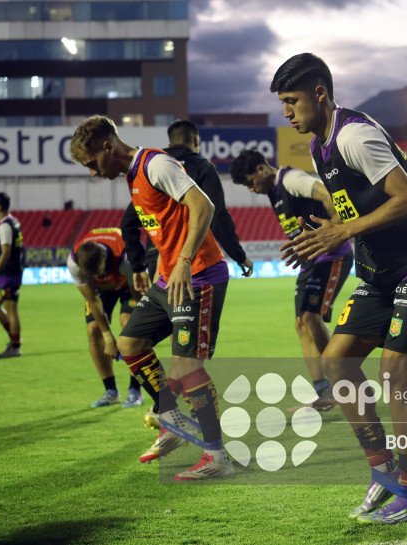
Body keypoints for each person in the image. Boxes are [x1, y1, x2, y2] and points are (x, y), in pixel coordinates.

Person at [271, 53, 407, 524]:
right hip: (381, 272)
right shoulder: (319, 146)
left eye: (292, 101)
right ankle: (385, 472)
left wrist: (343, 231)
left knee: (395, 374)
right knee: (337, 363)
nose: (287, 113)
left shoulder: (354, 135)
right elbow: (351, 207)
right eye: (282, 104)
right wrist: (328, 228)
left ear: (320, 93)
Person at [70, 115, 233, 481]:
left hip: (198, 277)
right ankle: (171, 418)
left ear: (108, 146)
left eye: (93, 163)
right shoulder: (132, 176)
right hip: (167, 280)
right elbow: (164, 225)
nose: (94, 173)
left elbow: (203, 207)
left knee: (189, 368)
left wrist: (185, 262)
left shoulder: (155, 164)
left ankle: (216, 455)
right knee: (130, 342)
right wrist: (154, 266)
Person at [121, 120, 254, 430]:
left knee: (181, 352)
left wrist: (138, 265)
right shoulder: (197, 165)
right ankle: (188, 423)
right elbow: (214, 212)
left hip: (159, 265)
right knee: (189, 355)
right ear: (196, 140)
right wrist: (238, 254)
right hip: (188, 262)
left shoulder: (149, 168)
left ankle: (166, 413)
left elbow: (130, 221)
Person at [230, 149, 354, 410]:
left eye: (250, 182)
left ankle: (344, 381)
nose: (251, 190)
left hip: (332, 255)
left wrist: (334, 227)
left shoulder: (290, 179)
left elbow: (325, 193)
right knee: (301, 323)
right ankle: (324, 392)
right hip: (310, 260)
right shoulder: (274, 192)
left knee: (311, 317)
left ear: (262, 170)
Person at [67, 227, 144, 409]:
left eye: (99, 272)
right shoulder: (74, 262)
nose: (98, 277)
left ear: (104, 257)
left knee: (130, 327)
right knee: (93, 330)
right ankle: (111, 392)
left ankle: (135, 390)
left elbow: (138, 294)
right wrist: (109, 338)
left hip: (128, 285)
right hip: (101, 292)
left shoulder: (125, 258)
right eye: (91, 275)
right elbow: (92, 299)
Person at [0, 192, 24, 359]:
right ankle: (14, 339)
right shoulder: (13, 221)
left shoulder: (5, 226)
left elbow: (6, 252)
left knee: (11, 310)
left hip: (8, 273)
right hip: (10, 273)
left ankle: (15, 346)